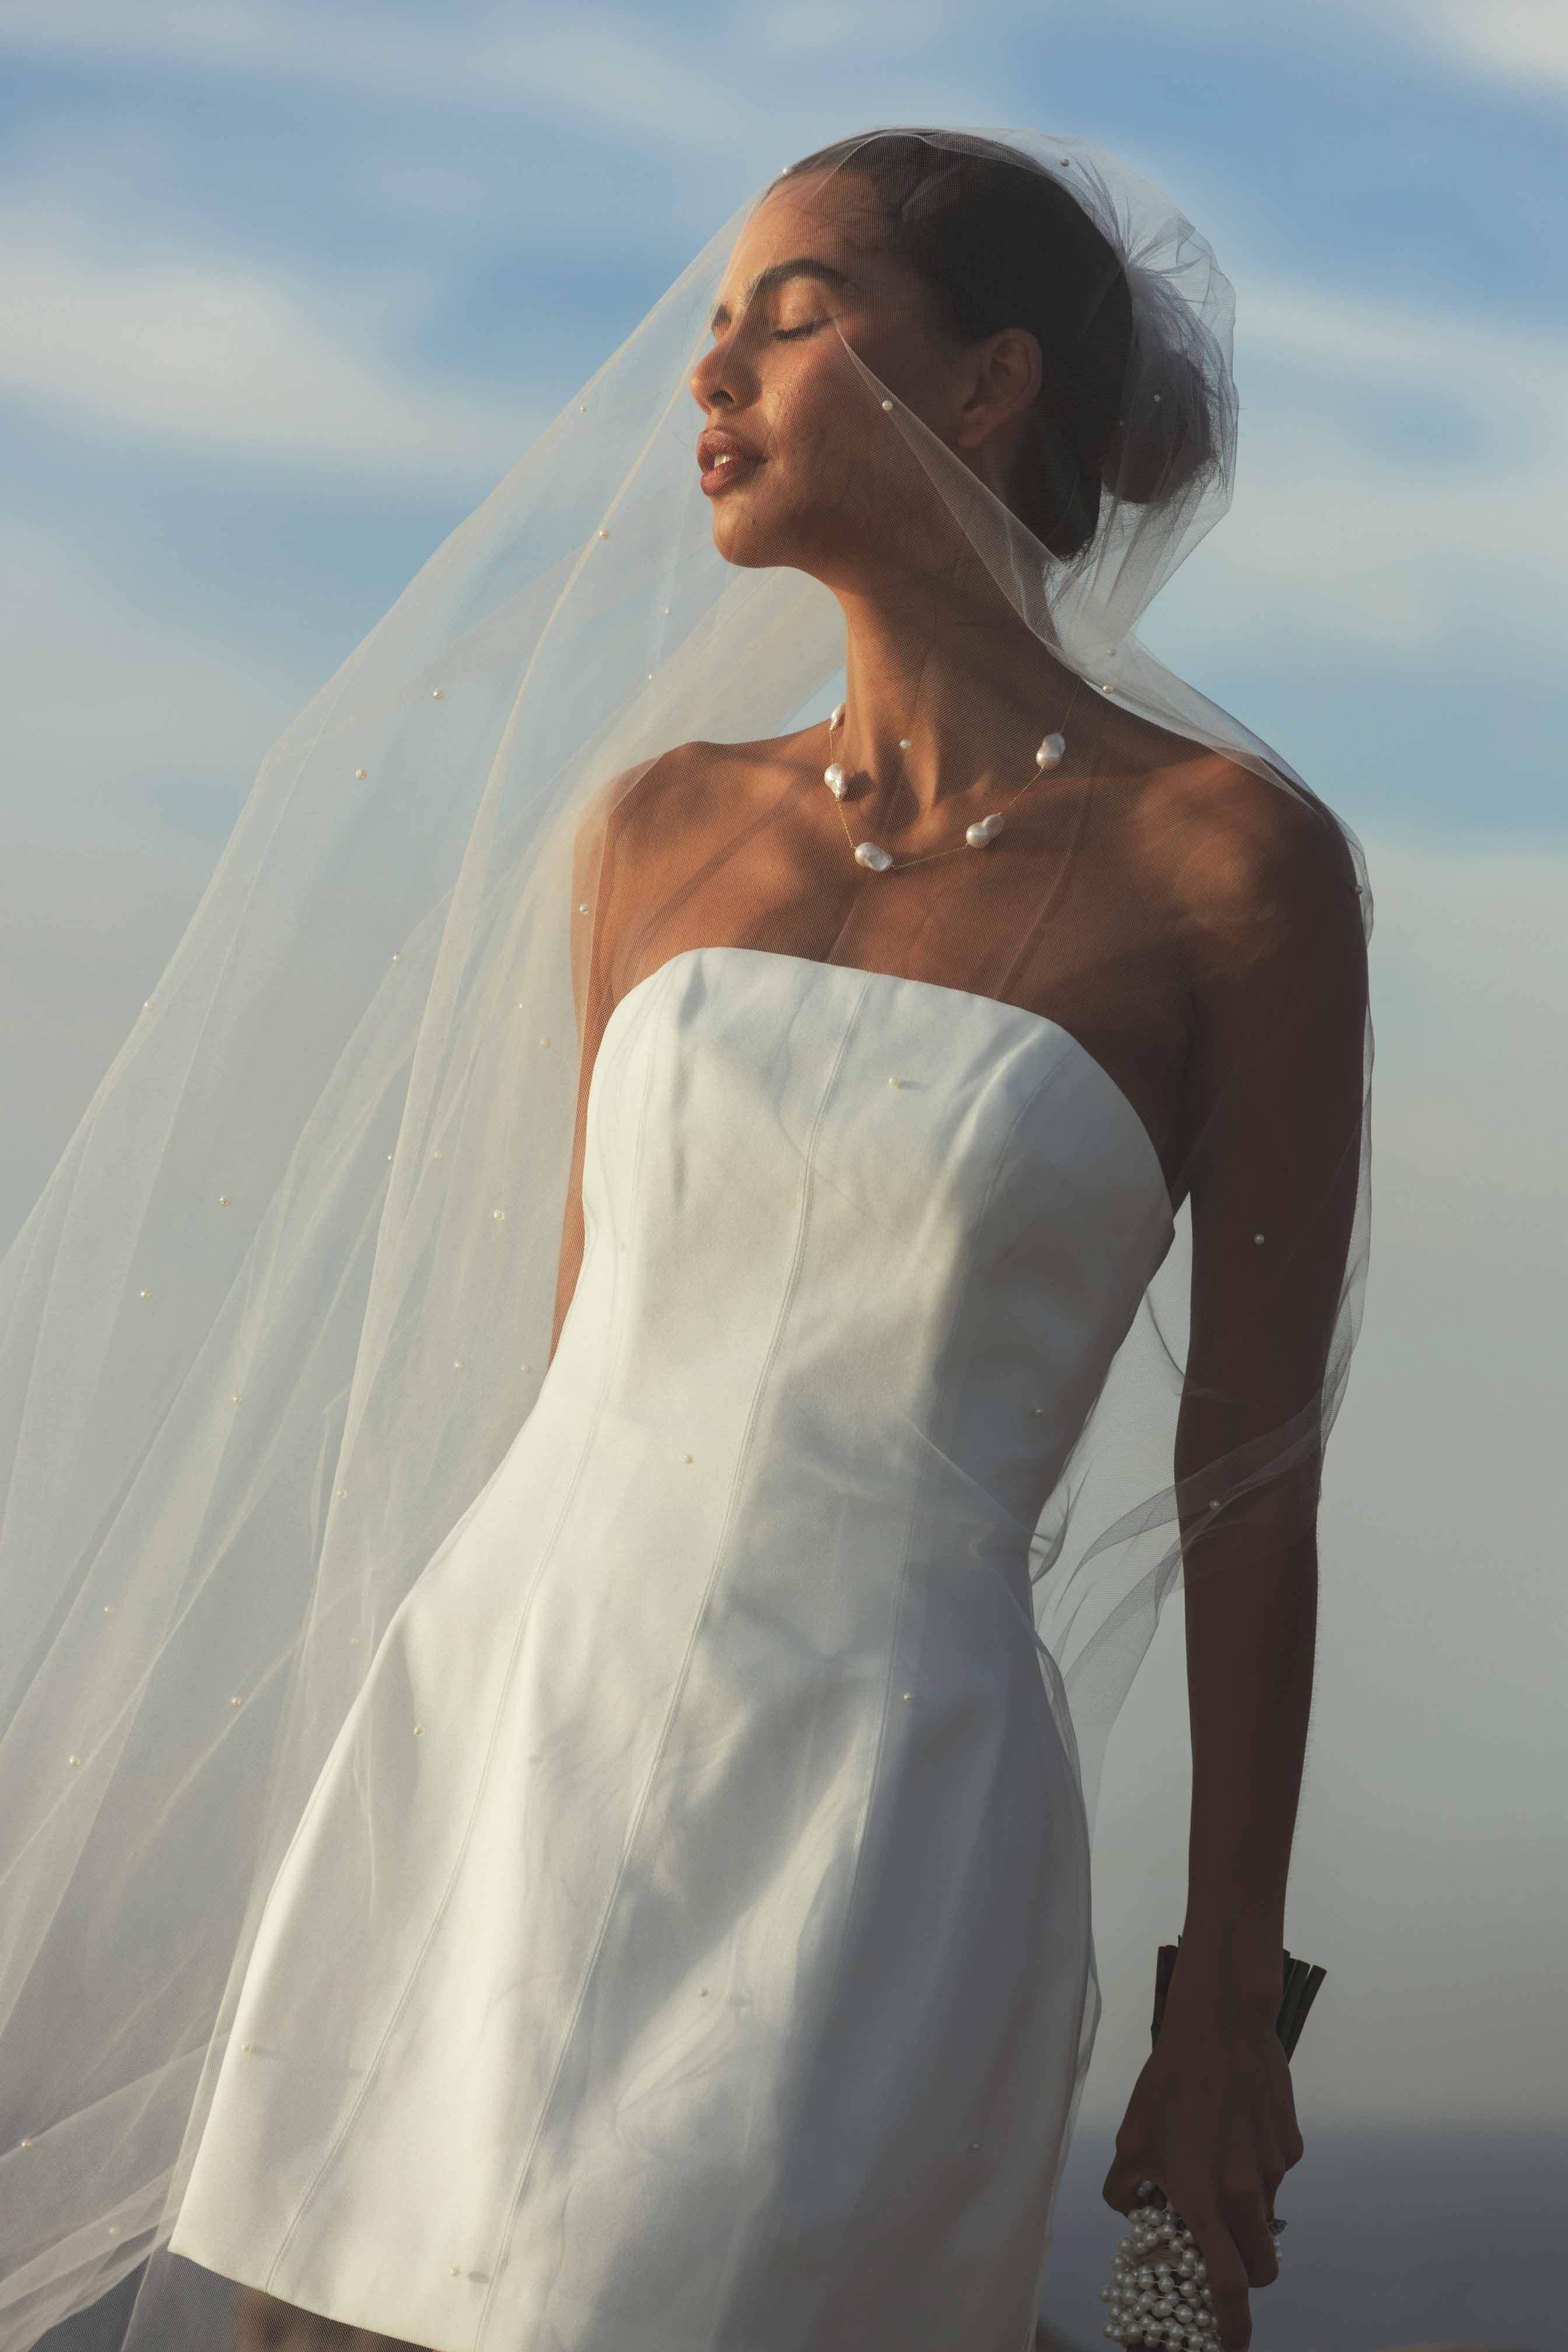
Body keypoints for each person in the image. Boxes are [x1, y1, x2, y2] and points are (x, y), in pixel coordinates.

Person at [0, 130, 1370, 2352]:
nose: (706, 370)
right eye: (707, 325)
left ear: (993, 379)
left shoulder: (1235, 870)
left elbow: (1256, 1479)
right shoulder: (653, 832)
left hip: (875, 1808)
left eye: (785, 312)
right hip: (508, 1733)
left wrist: (1228, 2012)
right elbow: (581, 1365)